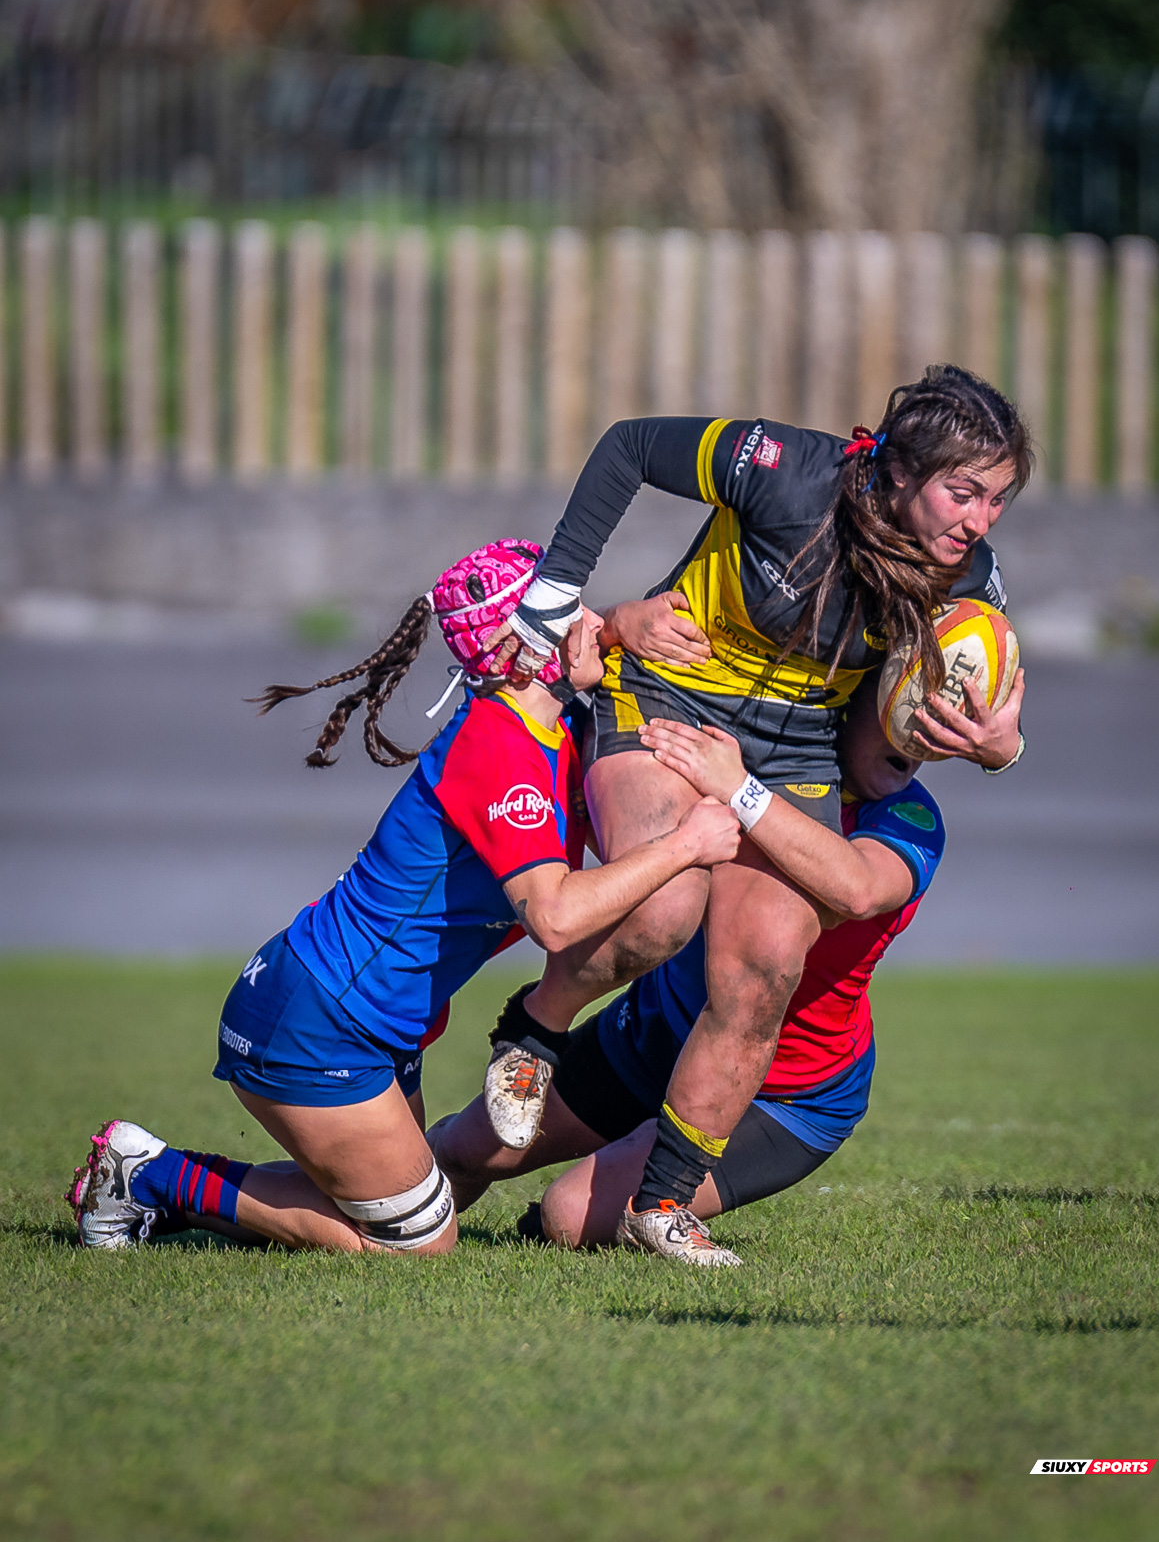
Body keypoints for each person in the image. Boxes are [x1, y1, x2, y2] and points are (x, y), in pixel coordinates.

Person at [479, 365, 1029, 1263]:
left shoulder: (969, 575)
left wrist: (1001, 745)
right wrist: (554, 595)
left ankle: (661, 1209)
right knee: (664, 907)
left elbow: (986, 683)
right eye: (961, 493)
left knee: (765, 967)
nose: (977, 520)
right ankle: (536, 1028)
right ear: (896, 472)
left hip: (795, 742)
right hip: (668, 691)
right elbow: (628, 445)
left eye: (996, 500)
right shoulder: (785, 471)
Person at [66, 539, 740, 1257]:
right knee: (417, 1241)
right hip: (321, 1019)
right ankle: (147, 1175)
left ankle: (169, 1192)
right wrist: (684, 846)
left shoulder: (550, 724)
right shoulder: (500, 744)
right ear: (529, 641)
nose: (591, 619)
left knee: (393, 1198)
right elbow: (555, 915)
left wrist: (622, 635)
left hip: (380, 1017)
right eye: (570, 608)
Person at [432, 681, 946, 1265]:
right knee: (469, 1149)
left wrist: (740, 791)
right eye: (900, 711)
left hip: (786, 1095)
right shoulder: (735, 756)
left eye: (935, 727)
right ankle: (370, 1204)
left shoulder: (907, 817)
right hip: (658, 1029)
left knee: (567, 1216)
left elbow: (856, 888)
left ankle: (621, 1204)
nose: (919, 737)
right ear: (845, 705)